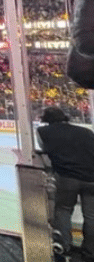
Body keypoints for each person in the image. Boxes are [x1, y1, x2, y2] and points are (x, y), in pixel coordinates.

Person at [37, 106, 94, 262]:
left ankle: (64, 248)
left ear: (46, 119)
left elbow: (45, 151)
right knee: (91, 216)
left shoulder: (44, 132)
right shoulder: (86, 132)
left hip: (67, 176)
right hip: (91, 176)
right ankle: (90, 253)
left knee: (63, 210)